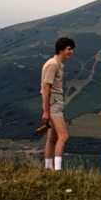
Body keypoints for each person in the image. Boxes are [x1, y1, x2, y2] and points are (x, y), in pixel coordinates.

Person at [41, 37, 75, 170]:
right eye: (69, 49)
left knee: (52, 137)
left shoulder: (55, 63)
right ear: (61, 50)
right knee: (64, 136)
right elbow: (45, 87)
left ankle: (48, 168)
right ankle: (57, 170)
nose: (71, 52)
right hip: (54, 101)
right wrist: (46, 111)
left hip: (54, 100)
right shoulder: (53, 64)